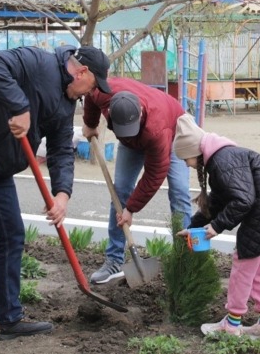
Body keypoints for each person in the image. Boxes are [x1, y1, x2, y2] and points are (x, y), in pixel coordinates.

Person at [0, 44, 111, 354]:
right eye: (94, 85)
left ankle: (10, 319)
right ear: (82, 72)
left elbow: (60, 149)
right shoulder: (37, 62)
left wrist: (62, 194)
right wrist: (20, 107)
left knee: (12, 236)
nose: (92, 93)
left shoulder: (66, 102)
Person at [172, 115, 260, 345]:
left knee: (243, 264)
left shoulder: (223, 160)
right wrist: (193, 227)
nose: (186, 164)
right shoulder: (224, 157)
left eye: (185, 158)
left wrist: (216, 227)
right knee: (257, 271)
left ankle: (231, 324)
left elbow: (243, 200)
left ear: (193, 151)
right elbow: (218, 200)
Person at [81, 79, 192, 283]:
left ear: (139, 112)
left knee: (179, 192)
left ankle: (185, 261)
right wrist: (90, 123)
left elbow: (154, 174)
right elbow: (90, 94)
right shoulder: (103, 93)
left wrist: (131, 209)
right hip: (138, 137)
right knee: (120, 191)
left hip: (174, 131)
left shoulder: (157, 130)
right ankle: (114, 260)